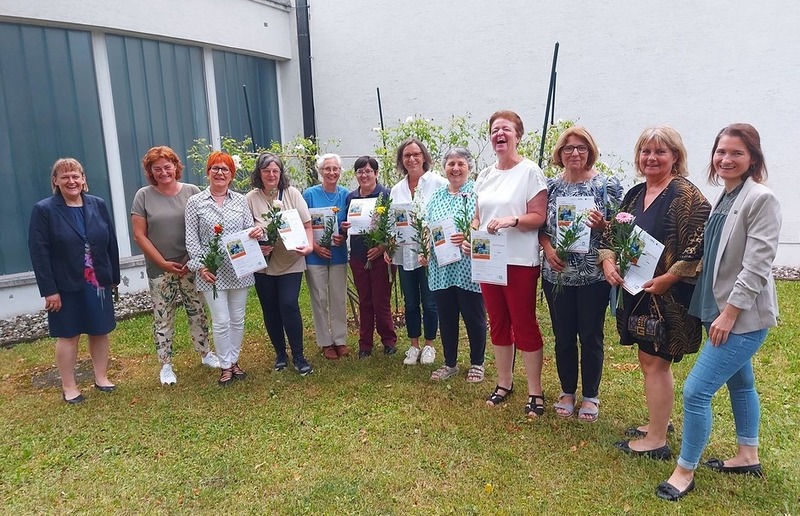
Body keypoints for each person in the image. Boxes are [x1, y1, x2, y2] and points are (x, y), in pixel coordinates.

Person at [657, 124, 781, 501]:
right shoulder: (727, 196)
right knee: (741, 383)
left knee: (696, 392)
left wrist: (729, 315)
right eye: (721, 152)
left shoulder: (761, 199)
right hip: (716, 308)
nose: (726, 159)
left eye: (736, 153)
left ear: (753, 159)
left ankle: (684, 471)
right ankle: (747, 454)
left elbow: (757, 266)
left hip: (741, 316)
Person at [599, 126, 710, 458]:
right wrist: (608, 262)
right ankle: (657, 422)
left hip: (668, 298)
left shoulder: (687, 196)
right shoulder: (634, 194)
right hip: (637, 290)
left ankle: (656, 441)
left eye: (660, 151)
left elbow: (697, 247)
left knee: (656, 362)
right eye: (646, 151)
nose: (651, 158)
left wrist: (670, 278)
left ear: (675, 156)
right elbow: (612, 234)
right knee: (650, 360)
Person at [465, 110, 548, 417]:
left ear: (518, 135)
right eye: (495, 130)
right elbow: (478, 216)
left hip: (519, 261)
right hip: (489, 260)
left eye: (506, 129)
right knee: (497, 321)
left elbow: (539, 217)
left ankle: (535, 391)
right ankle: (504, 383)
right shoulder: (484, 176)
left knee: (523, 322)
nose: (499, 134)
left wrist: (513, 220)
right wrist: (471, 234)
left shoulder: (529, 172)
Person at [539, 127, 622, 422]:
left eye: (581, 148)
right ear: (560, 154)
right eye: (568, 148)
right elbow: (540, 227)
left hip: (593, 276)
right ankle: (566, 392)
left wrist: (603, 226)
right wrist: (548, 249)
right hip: (557, 274)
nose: (575, 153)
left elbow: (620, 229)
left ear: (591, 151)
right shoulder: (550, 187)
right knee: (562, 336)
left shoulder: (606, 186)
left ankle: (590, 396)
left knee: (590, 335)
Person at [28, 158, 120, 403]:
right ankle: (69, 387)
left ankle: (101, 377)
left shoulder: (98, 204)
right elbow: (39, 252)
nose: (71, 181)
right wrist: (49, 291)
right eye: (65, 177)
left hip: (98, 282)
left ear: (83, 179)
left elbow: (110, 242)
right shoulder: (44, 210)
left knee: (100, 330)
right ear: (55, 181)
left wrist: (113, 278)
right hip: (65, 285)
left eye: (76, 176)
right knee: (68, 334)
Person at [131, 146, 219, 386]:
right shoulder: (144, 196)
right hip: (160, 268)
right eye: (156, 168)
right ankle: (166, 365)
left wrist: (196, 260)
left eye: (167, 167)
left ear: (175, 167)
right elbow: (140, 235)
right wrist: (161, 262)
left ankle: (205, 353)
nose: (163, 172)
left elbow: (205, 226)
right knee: (163, 316)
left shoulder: (192, 191)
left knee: (198, 311)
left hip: (191, 265)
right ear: (150, 171)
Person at [186, 151, 261, 386]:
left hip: (240, 269)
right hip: (212, 271)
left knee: (237, 319)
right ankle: (225, 365)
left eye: (225, 169)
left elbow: (249, 229)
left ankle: (235, 360)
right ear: (208, 172)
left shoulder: (240, 201)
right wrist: (200, 267)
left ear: (232, 175)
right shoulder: (195, 202)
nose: (220, 173)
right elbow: (191, 239)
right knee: (220, 320)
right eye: (215, 168)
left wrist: (257, 232)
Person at [245, 153, 315, 376]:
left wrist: (310, 246)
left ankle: (299, 355)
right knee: (271, 309)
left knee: (289, 304)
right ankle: (280, 355)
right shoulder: (251, 198)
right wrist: (255, 242)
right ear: (259, 174)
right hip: (263, 264)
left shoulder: (292, 194)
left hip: (290, 260)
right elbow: (245, 231)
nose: (271, 175)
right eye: (267, 171)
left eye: (275, 171)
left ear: (281, 173)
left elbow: (307, 224)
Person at [423, 148, 487, 383]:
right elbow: (429, 227)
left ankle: (477, 363)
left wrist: (469, 236)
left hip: (468, 267)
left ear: (469, 167)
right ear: (444, 168)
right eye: (451, 164)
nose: (455, 168)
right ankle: (450, 363)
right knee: (446, 317)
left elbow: (484, 223)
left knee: (474, 316)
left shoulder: (477, 193)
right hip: (442, 268)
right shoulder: (437, 196)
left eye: (461, 163)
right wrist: (425, 249)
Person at [391, 138, 447, 366]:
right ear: (401, 160)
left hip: (430, 254)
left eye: (416, 154)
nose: (412, 159)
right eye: (407, 156)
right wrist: (388, 243)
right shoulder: (397, 189)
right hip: (405, 253)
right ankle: (413, 345)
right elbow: (393, 222)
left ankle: (430, 345)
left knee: (430, 301)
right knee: (411, 300)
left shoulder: (439, 183)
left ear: (424, 156)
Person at [340, 156, 397, 358]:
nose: (364, 175)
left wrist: (382, 248)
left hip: (382, 257)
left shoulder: (386, 195)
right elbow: (346, 227)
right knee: (365, 301)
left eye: (368, 171)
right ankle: (365, 345)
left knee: (381, 301)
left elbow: (394, 227)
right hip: (358, 256)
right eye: (360, 171)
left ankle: (389, 341)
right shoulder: (351, 198)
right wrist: (343, 227)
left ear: (376, 173)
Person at [303, 153, 349, 360]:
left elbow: (351, 224)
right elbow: (303, 225)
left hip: (338, 254)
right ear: (320, 172)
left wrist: (344, 235)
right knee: (319, 298)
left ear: (340, 172)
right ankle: (325, 342)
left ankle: (340, 339)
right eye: (327, 169)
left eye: (335, 169)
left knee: (338, 298)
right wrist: (313, 246)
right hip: (315, 256)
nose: (332, 172)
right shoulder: (310, 195)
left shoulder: (346, 195)